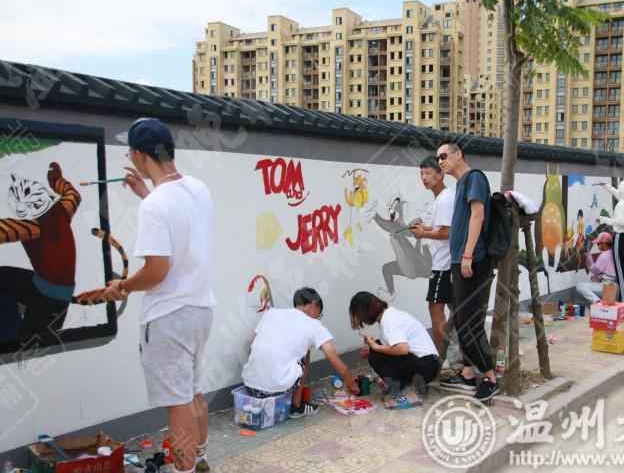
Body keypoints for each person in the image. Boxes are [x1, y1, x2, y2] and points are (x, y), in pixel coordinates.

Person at [78, 118, 216, 473]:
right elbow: (175, 214)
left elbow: (156, 271)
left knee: (177, 402)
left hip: (168, 317)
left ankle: (185, 469)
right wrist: (146, 192)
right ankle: (200, 459)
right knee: (192, 391)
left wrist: (120, 287)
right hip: (200, 310)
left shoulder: (154, 206)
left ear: (140, 155)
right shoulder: (198, 189)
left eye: (130, 153)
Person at [435, 141, 499, 401]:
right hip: (460, 261)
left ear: (458, 154)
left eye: (443, 156)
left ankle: (491, 378)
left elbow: (477, 215)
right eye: (437, 158)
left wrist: (468, 255)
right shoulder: (461, 184)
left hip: (473, 259)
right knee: (462, 319)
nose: (440, 161)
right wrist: (456, 262)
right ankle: (469, 373)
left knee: (469, 320)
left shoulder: (474, 178)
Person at [242, 287, 359, 417]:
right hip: (276, 391)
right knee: (305, 352)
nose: (317, 318)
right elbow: (338, 365)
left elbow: (251, 348)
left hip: (251, 389)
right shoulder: (313, 325)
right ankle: (296, 406)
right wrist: (352, 385)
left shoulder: (271, 313)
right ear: (313, 305)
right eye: (319, 314)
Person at [349, 291, 440, 409]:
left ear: (365, 312)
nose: (361, 320)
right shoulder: (390, 315)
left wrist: (375, 348)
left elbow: (402, 349)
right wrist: (374, 346)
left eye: (359, 315)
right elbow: (393, 345)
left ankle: (407, 394)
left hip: (426, 368)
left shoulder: (389, 320)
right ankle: (401, 387)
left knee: (375, 353)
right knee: (375, 349)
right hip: (429, 365)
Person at [410, 155, 454, 366]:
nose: (424, 178)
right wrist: (424, 228)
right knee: (456, 311)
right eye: (421, 173)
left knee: (435, 310)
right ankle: (462, 356)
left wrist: (423, 234)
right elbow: (441, 228)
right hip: (449, 264)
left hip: (443, 265)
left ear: (440, 174)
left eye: (428, 173)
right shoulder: (443, 197)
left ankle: (440, 358)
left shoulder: (444, 199)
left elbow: (447, 233)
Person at [598, 179, 624, 304]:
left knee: (621, 275)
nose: (618, 190)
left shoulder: (621, 205)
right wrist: (606, 186)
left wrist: (604, 220)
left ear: (623, 190)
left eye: (620, 187)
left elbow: (620, 221)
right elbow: (619, 194)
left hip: (621, 239)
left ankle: (623, 304)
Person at [576, 232, 616, 303]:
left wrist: (589, 261)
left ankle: (597, 302)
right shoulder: (615, 253)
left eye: (598, 244)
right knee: (593, 281)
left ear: (603, 243)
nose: (597, 246)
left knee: (580, 286)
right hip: (616, 286)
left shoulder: (604, 255)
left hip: (607, 286)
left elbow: (594, 270)